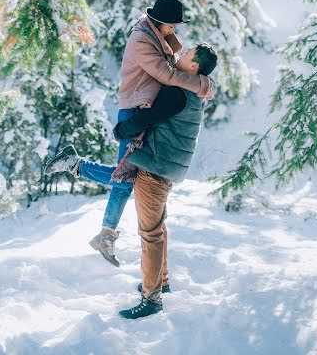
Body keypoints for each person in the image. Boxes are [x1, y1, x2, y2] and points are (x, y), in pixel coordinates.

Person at [44, 42, 218, 320]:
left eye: (186, 55)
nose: (180, 55)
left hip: (156, 166)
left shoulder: (179, 92)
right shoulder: (194, 88)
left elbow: (149, 117)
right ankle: (160, 282)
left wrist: (125, 127)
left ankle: (152, 299)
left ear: (194, 66)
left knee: (150, 234)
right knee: (153, 223)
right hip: (162, 165)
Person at [87, 0, 213, 266]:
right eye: (172, 26)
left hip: (142, 107)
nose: (175, 31)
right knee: (123, 177)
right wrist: (200, 83)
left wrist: (171, 41)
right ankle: (103, 229)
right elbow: (167, 75)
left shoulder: (153, 34)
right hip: (134, 109)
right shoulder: (142, 40)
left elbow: (172, 62)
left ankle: (105, 231)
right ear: (161, 23)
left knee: (125, 175)